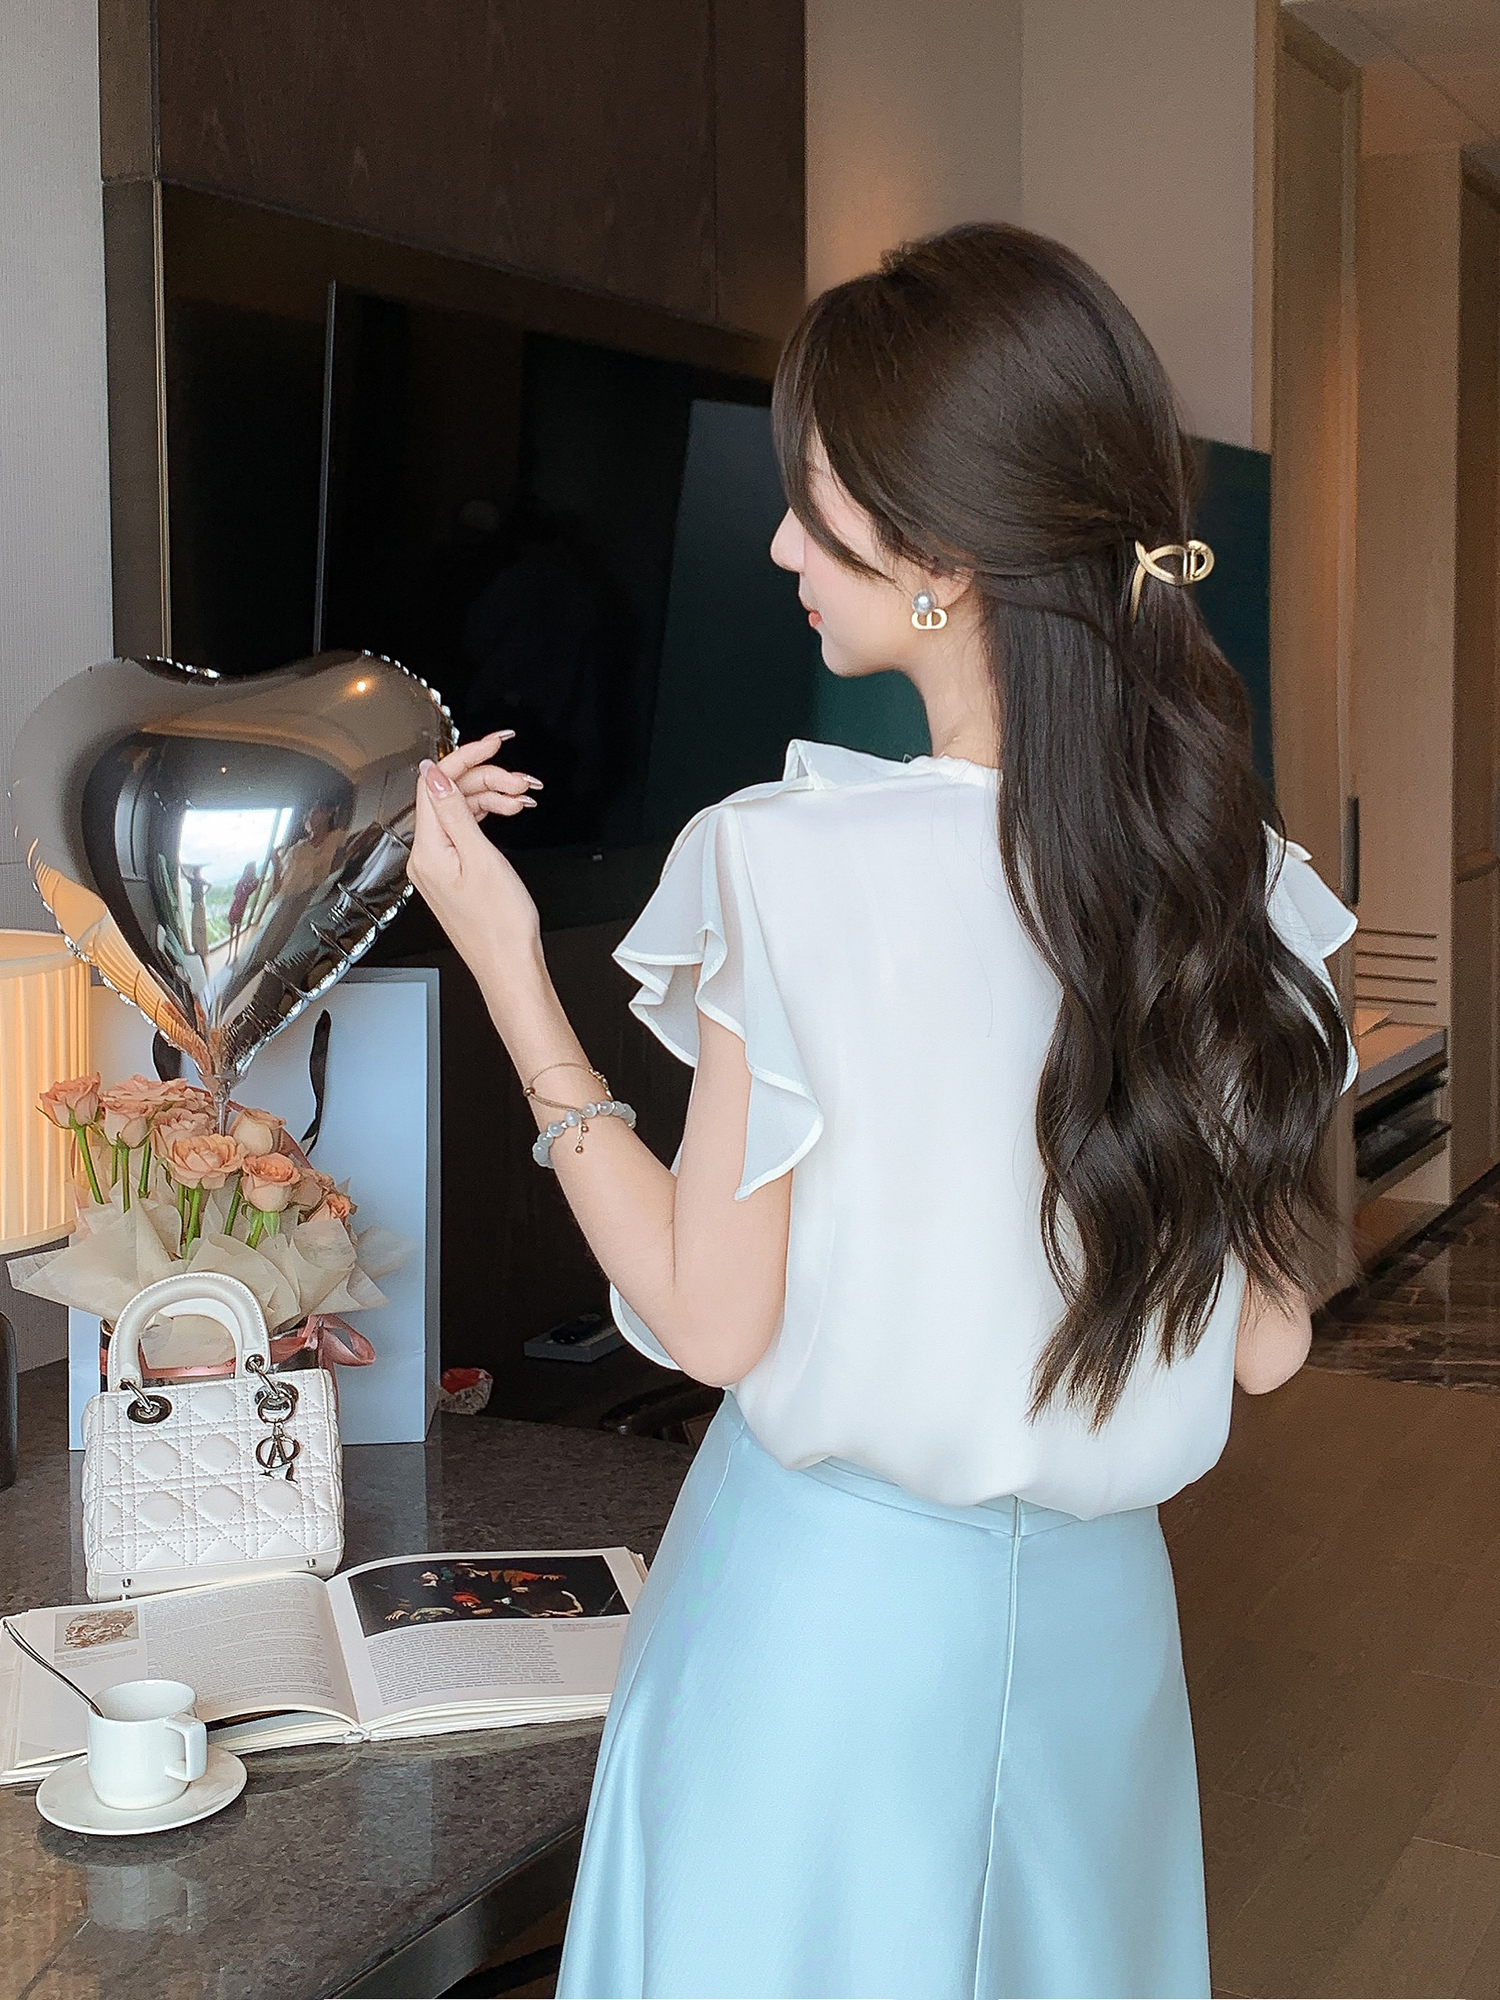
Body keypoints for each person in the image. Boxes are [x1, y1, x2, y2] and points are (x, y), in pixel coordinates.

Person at [405, 222, 1356, 2000]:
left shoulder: (790, 868)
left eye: (818, 498)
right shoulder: (1227, 877)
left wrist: (510, 966)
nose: (779, 542)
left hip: (821, 1643)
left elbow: (707, 1323)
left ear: (947, 553)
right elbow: (1268, 1344)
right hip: (1100, 1649)